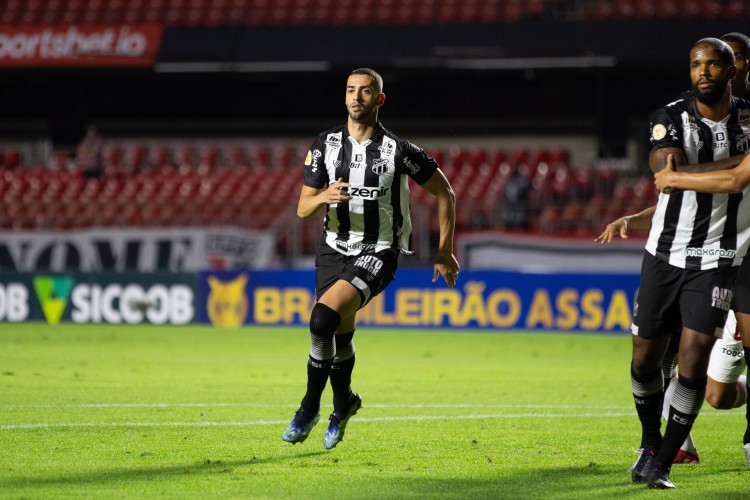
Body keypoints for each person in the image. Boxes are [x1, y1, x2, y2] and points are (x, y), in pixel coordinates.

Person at [281, 68, 460, 450]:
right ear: (344, 97)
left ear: (379, 99)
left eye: (365, 91)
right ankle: (344, 403)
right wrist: (323, 199)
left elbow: (446, 193)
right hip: (332, 249)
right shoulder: (325, 143)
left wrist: (444, 251)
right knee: (338, 333)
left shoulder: (398, 150)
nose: (356, 97)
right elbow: (302, 209)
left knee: (321, 318)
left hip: (379, 249)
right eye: (350, 90)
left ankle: (309, 407)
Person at [622, 38, 750, 489]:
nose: (704, 72)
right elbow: (663, 173)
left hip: (720, 255)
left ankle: (662, 462)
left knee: (694, 356)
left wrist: (685, 174)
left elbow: (679, 175)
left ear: (732, 70)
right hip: (665, 252)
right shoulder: (669, 117)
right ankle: (648, 439)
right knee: (644, 358)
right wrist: (738, 169)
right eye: (697, 64)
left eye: (713, 64)